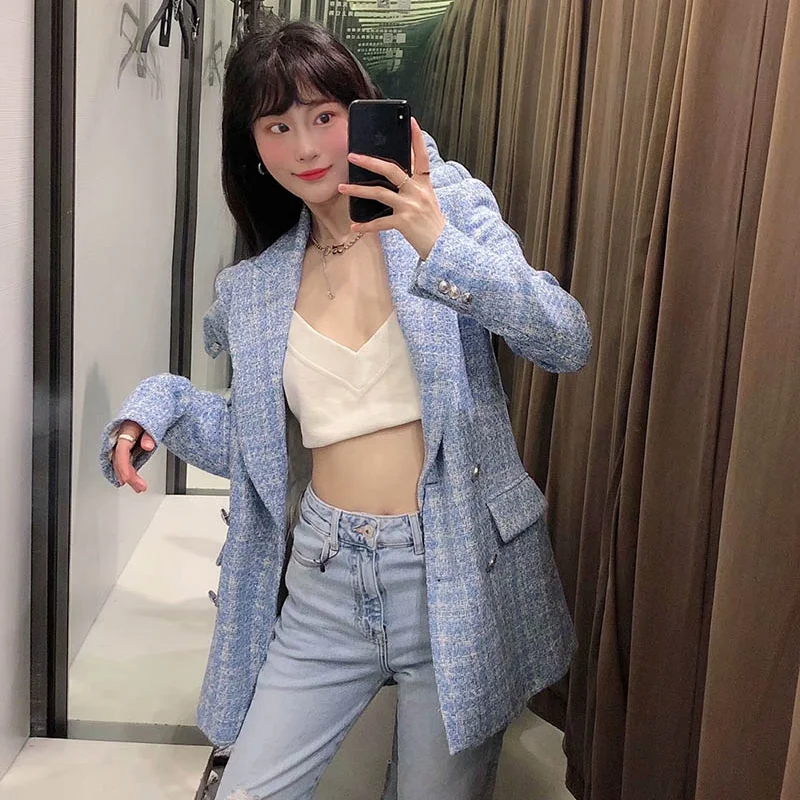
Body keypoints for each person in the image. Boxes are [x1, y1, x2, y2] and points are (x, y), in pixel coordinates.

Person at [99, 20, 592, 800]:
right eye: (277, 126)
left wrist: (434, 240)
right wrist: (158, 407)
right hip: (326, 580)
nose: (305, 147)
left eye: (324, 116)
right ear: (251, 146)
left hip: (454, 568)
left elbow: (565, 338)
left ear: (362, 112)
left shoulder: (446, 205)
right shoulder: (256, 287)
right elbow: (260, 449)